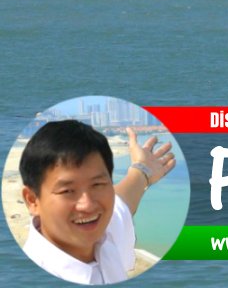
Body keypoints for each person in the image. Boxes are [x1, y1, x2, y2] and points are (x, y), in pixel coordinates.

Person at [19, 120, 177, 284]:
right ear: (32, 200)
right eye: (67, 191)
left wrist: (142, 169)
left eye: (97, 184)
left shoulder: (103, 235)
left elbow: (122, 203)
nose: (87, 205)